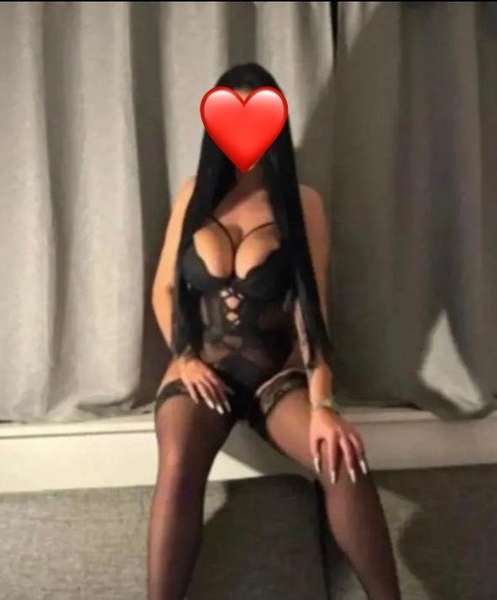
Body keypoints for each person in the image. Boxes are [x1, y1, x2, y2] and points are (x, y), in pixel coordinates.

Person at [148, 62, 401, 600]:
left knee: (343, 461)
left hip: (273, 377)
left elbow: (313, 309)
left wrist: (324, 404)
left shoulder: (302, 203)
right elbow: (164, 289)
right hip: (199, 372)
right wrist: (185, 357)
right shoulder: (194, 196)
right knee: (178, 465)